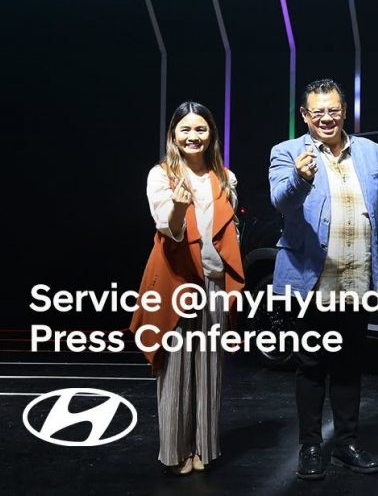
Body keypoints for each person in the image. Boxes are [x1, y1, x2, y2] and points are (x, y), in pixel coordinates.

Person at [269, 79, 378, 480]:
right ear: (305, 115)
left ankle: (346, 444)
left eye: (334, 110)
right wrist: (300, 177)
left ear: (345, 112)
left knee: (349, 366)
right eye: (317, 111)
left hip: (357, 280)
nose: (327, 117)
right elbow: (281, 202)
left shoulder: (370, 151)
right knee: (310, 367)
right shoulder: (287, 152)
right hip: (309, 283)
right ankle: (310, 447)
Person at [131, 101, 245, 475]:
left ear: (211, 134)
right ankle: (175, 450)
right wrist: (180, 207)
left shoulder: (225, 178)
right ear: (174, 135)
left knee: (210, 370)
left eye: (200, 129)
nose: (193, 136)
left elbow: (228, 232)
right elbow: (167, 226)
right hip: (177, 282)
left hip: (213, 283)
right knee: (176, 371)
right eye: (185, 129)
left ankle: (203, 448)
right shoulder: (161, 176)